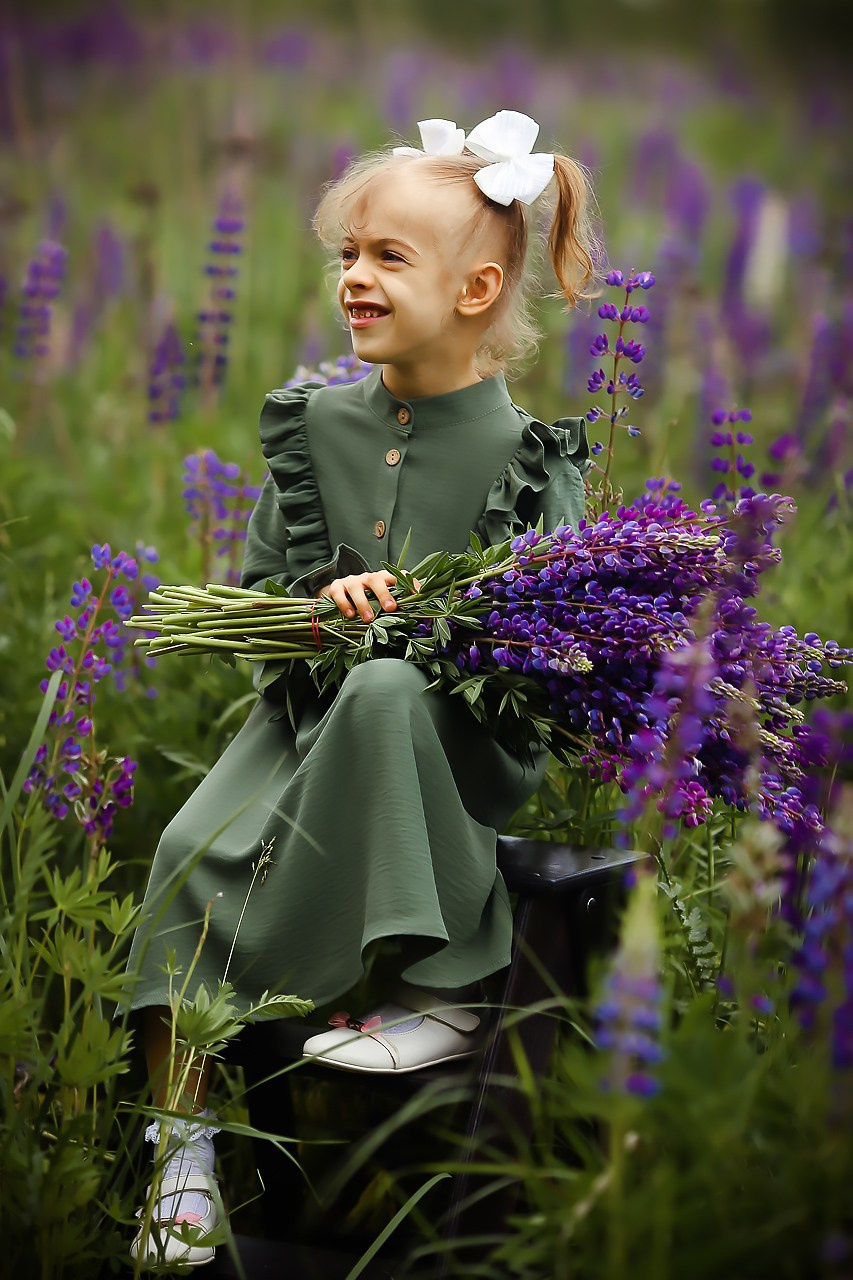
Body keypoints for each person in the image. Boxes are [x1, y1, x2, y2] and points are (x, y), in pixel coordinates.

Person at [129, 110, 596, 1268]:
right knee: (186, 853)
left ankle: (446, 988)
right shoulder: (315, 426)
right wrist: (315, 610)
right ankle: (180, 1144)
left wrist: (440, 634)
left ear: (476, 289)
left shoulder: (528, 460)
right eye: (347, 252)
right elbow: (261, 599)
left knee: (389, 685)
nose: (353, 276)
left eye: (388, 255)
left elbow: (551, 660)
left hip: (451, 747)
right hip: (300, 720)